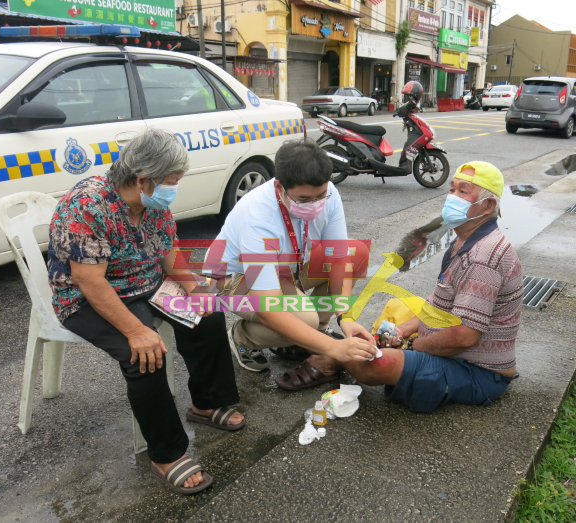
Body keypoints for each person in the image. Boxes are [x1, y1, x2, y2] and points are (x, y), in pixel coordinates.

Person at [47, 129, 244, 495]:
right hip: (89, 296)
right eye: (172, 181)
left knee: (208, 314)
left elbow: (167, 250)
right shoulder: (88, 205)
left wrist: (195, 289)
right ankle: (166, 452)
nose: (175, 188)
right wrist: (136, 330)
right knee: (145, 352)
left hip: (144, 280)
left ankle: (206, 403)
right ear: (142, 180)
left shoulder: (152, 201)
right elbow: (89, 281)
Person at [297, 161, 523, 412]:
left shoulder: (483, 257)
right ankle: (345, 349)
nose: (452, 197)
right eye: (452, 189)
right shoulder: (465, 240)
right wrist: (403, 332)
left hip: (478, 372)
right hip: (454, 348)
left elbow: (463, 336)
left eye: (463, 191)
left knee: (376, 364)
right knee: (392, 322)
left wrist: (413, 345)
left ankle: (337, 355)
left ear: (488, 205)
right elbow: (438, 303)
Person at [205, 139, 377, 383]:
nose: (315, 204)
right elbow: (268, 307)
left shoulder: (329, 193)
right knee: (304, 316)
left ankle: (304, 335)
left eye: (320, 196)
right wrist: (332, 348)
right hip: (236, 282)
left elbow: (338, 258)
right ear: (279, 188)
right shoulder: (259, 218)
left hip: (287, 269)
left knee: (356, 252)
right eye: (303, 199)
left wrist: (345, 317)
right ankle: (243, 336)